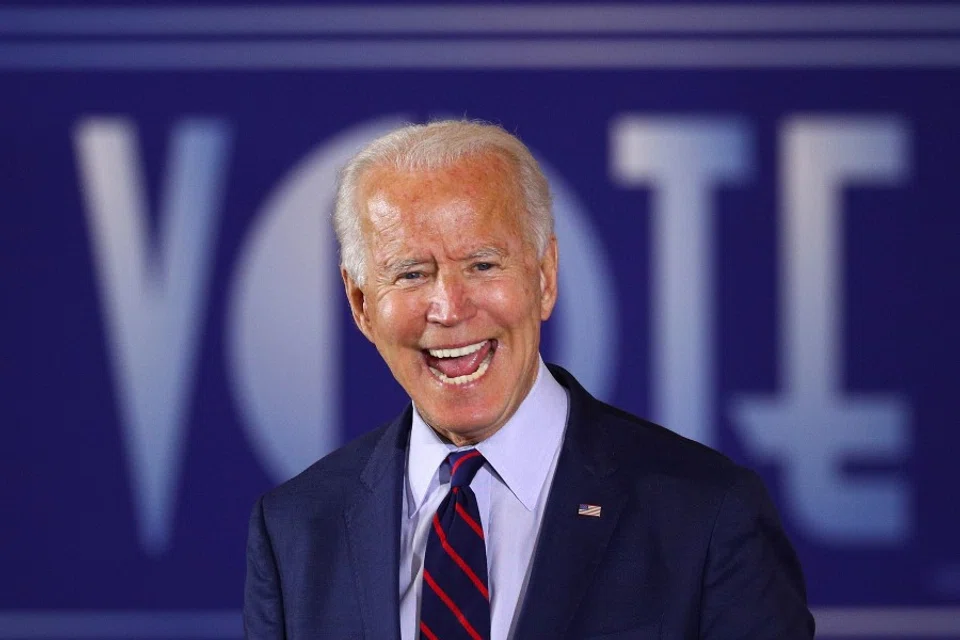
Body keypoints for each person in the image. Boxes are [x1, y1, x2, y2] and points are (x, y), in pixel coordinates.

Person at [244, 120, 814, 639]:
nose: (448, 307)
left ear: (544, 277)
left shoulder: (705, 517)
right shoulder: (295, 531)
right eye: (412, 274)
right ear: (361, 303)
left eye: (482, 265)